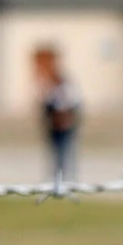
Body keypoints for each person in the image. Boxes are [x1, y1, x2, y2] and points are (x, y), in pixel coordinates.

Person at [32, 47, 83, 183]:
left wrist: (64, 117)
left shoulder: (59, 80)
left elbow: (66, 101)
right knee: (56, 151)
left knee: (64, 150)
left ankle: (64, 179)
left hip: (63, 119)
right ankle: (58, 177)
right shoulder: (48, 80)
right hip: (54, 120)